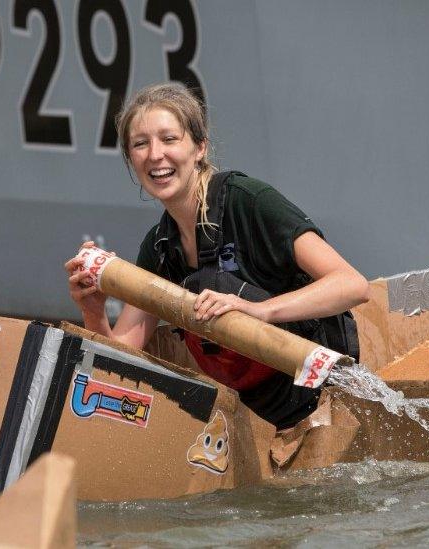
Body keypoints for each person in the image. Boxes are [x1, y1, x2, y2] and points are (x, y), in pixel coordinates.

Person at [65, 83, 369, 430]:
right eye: (140, 144)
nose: (154, 154)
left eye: (169, 139)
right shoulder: (160, 247)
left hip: (320, 403)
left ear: (199, 147)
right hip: (253, 422)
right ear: (131, 160)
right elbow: (120, 359)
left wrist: (258, 311)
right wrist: (93, 308)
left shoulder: (250, 201)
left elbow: (353, 285)